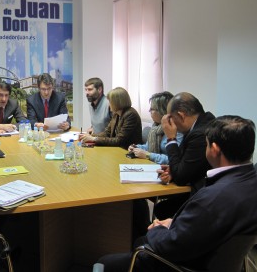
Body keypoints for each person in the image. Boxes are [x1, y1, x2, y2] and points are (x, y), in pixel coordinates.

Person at [95, 115, 257, 272]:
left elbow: (171, 246)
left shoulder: (213, 197)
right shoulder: (249, 182)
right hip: (213, 256)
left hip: (184, 264)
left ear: (214, 149)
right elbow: (207, 224)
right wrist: (173, 223)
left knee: (105, 262)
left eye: (206, 144)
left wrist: (159, 228)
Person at [154, 92, 215, 219]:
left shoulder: (200, 133)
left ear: (181, 115)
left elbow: (181, 177)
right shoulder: (201, 122)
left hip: (203, 196)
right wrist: (172, 171)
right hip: (198, 185)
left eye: (171, 118)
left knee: (162, 209)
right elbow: (182, 162)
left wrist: (171, 139)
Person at [128, 91, 183, 165]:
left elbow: (173, 159)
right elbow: (149, 147)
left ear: (162, 111)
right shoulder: (155, 127)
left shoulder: (178, 130)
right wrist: (136, 148)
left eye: (152, 109)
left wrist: (148, 155)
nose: (149, 111)